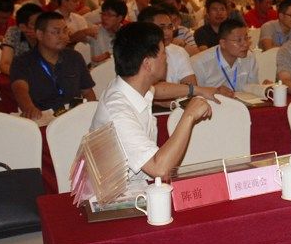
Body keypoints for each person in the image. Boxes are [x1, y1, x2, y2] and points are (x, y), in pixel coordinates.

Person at [90, 22, 213, 181]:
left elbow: (159, 90)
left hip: (139, 188)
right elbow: (160, 169)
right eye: (163, 53)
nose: (166, 58)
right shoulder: (117, 112)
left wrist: (196, 90)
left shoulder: (133, 86)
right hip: (117, 194)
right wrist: (188, 116)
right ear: (147, 64)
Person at [10, 12, 96, 120]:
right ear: (40, 34)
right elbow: (20, 90)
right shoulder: (22, 62)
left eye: (65, 31)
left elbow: (87, 92)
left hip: (74, 116)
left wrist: (92, 113)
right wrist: (29, 108)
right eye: (56, 32)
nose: (62, 36)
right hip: (43, 118)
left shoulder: (74, 57)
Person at [191, 19, 260, 91]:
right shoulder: (200, 64)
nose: (246, 44)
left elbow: (253, 88)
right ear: (223, 43)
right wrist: (215, 92)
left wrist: (263, 89)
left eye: (246, 38)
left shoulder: (249, 57)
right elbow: (193, 94)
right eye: (239, 40)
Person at [0, 3, 43, 75]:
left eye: (42, 22)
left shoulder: (47, 32)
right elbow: (4, 65)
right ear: (23, 27)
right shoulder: (13, 32)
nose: (41, 26)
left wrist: (42, 39)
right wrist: (25, 75)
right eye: (35, 24)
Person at [89, 0, 127, 64]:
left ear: (119, 18)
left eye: (109, 15)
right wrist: (84, 32)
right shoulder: (95, 31)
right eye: (103, 14)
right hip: (97, 69)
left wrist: (110, 56)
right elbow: (72, 40)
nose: (104, 18)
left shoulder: (127, 34)